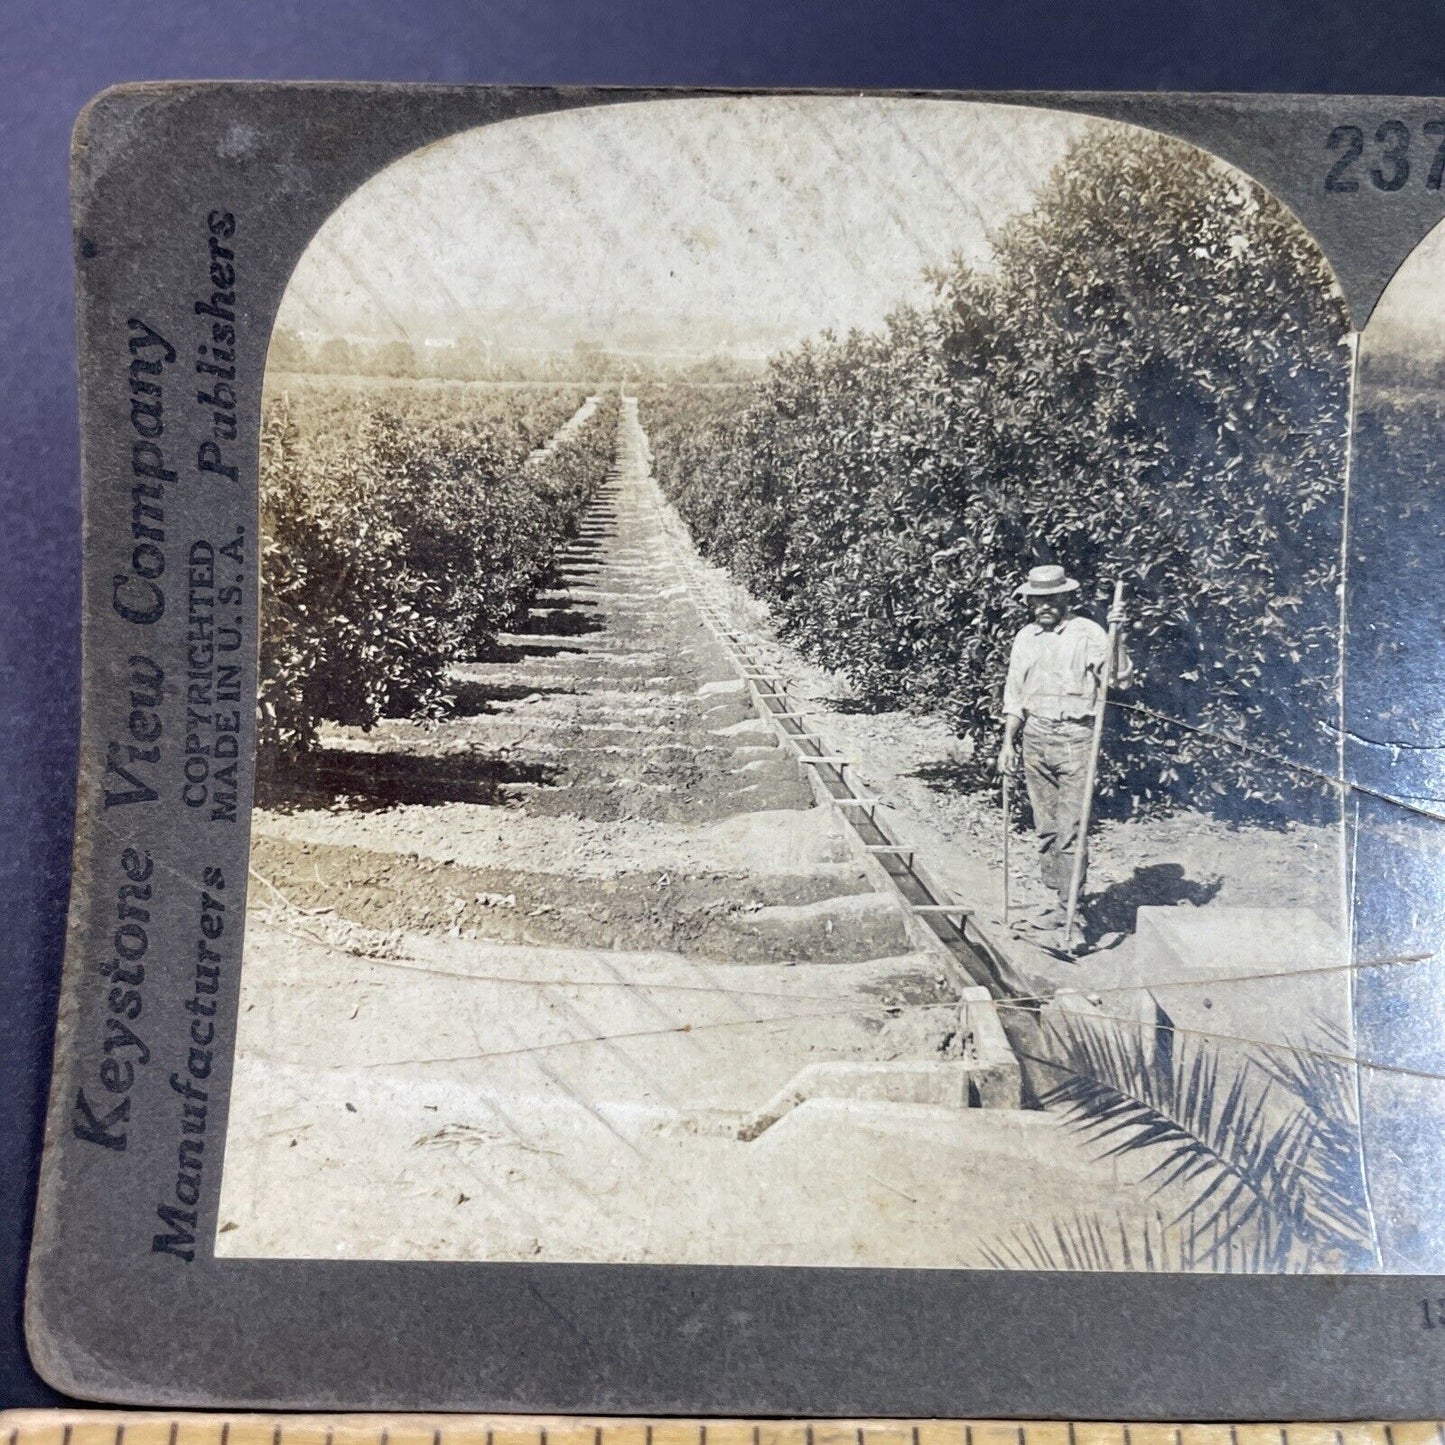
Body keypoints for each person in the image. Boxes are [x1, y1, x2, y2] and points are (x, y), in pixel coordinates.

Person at [996, 564, 1131, 943]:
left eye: (1052, 598)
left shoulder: (1088, 632)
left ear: (1066, 597)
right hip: (1034, 738)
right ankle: (1060, 903)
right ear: (1030, 602)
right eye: (1038, 599)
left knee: (1071, 831)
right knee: (1046, 829)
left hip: (1075, 739)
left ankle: (1074, 911)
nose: (1045, 606)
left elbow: (1117, 679)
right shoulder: (1026, 637)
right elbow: (1014, 696)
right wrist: (1008, 743)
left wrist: (1117, 636)